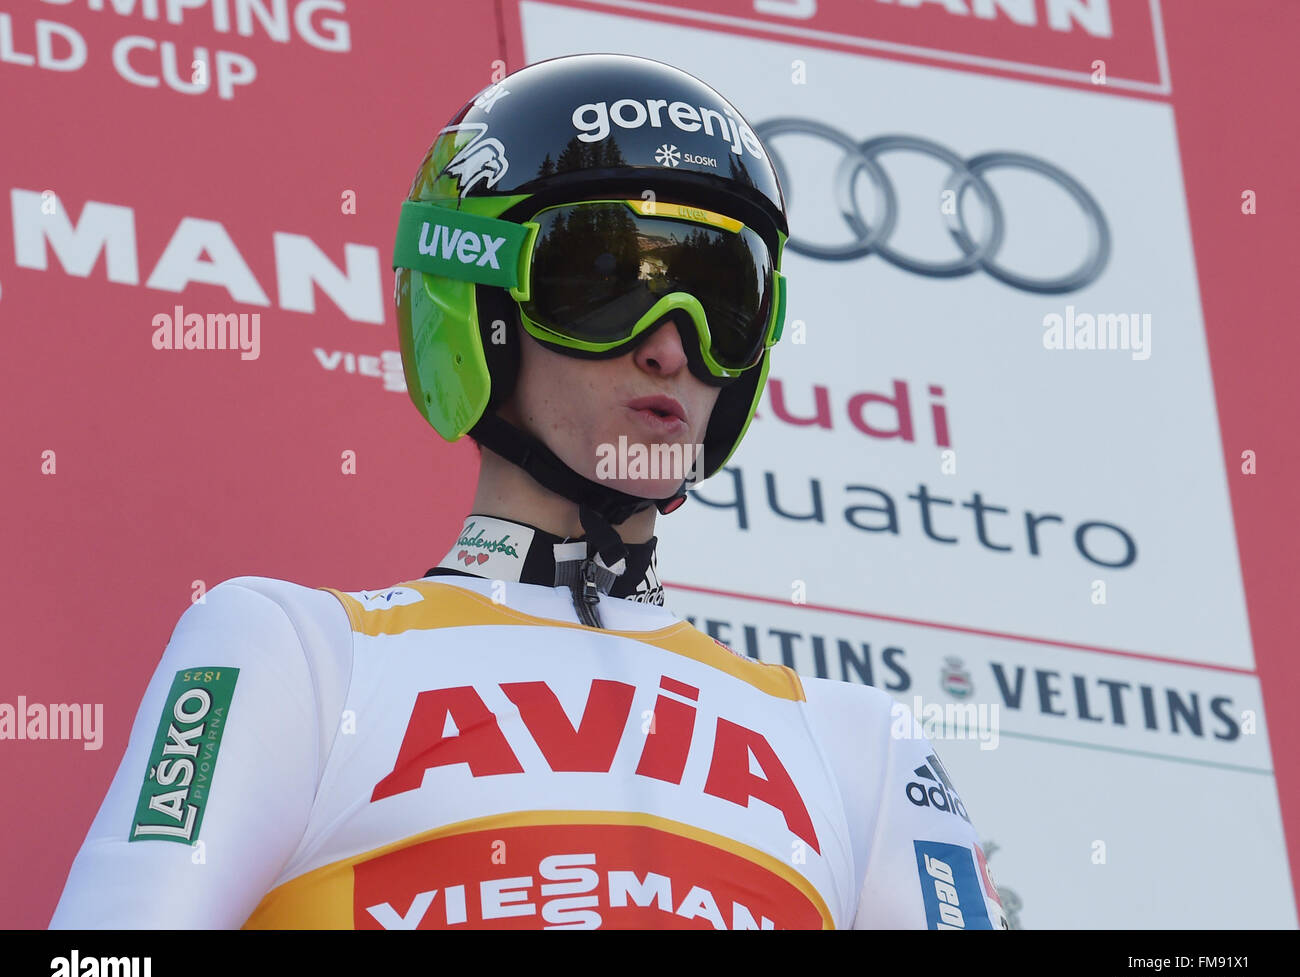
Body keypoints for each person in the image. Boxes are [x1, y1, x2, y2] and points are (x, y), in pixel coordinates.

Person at [50, 53, 1006, 930]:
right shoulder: (296, 655)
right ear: (476, 305)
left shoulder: (859, 746)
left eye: (721, 299)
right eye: (603, 282)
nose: (671, 345)